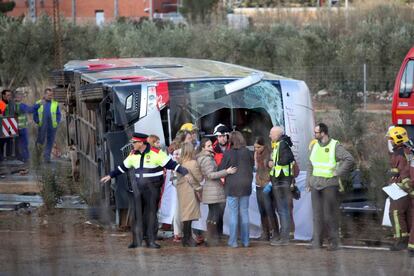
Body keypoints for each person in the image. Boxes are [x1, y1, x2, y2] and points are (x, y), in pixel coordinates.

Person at [101, 132, 189, 249]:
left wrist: (184, 172)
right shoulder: (133, 154)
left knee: (151, 214)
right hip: (139, 188)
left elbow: (171, 164)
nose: (132, 144)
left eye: (134, 142)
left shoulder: (156, 153)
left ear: (141, 143)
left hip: (153, 189)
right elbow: (123, 167)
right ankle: (136, 240)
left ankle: (151, 240)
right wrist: (110, 176)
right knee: (137, 214)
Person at [306, 123, 354, 251]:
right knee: (317, 215)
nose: (314, 134)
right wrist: (308, 182)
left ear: (323, 133)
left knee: (329, 215)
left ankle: (334, 243)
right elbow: (310, 165)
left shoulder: (335, 146)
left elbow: (349, 159)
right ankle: (317, 242)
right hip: (316, 184)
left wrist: (338, 172)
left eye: (316, 132)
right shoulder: (314, 146)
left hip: (329, 185)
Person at [196, 138, 237, 246]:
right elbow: (210, 175)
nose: (211, 147)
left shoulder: (206, 157)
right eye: (208, 146)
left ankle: (211, 238)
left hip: (211, 189)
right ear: (203, 148)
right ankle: (211, 239)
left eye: (211, 145)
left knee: (212, 213)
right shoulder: (207, 159)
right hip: (212, 188)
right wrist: (226, 172)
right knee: (214, 214)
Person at [219, 131, 254, 248]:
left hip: (232, 186)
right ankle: (246, 241)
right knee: (244, 213)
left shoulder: (228, 153)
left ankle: (233, 241)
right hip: (245, 185)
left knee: (233, 214)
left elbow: (221, 169)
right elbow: (252, 166)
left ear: (231, 141)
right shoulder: (248, 152)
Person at [386, 126, 413, 252]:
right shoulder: (406, 150)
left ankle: (400, 242)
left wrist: (401, 186)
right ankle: (407, 240)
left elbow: (404, 173)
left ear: (397, 139)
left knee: (396, 214)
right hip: (405, 191)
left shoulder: (400, 154)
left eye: (391, 139)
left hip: (400, 190)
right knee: (406, 215)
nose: (390, 141)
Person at [268, 126, 295, 246]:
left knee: (282, 210)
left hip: (282, 182)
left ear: (277, 134)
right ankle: (284, 236)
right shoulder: (281, 143)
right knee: (282, 210)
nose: (269, 136)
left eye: (271, 134)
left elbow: (289, 158)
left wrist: (274, 163)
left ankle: (284, 237)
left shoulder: (282, 144)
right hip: (280, 181)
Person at [176, 142, 204, 247]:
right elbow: (199, 178)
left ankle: (186, 238)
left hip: (182, 190)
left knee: (186, 215)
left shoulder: (180, 162)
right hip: (190, 191)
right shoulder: (193, 163)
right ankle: (187, 239)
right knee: (189, 216)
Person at [254, 136, 279, 241]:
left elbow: (273, 169)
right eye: (255, 147)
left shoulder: (269, 154)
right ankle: (265, 233)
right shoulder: (256, 154)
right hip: (259, 184)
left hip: (267, 184)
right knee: (262, 210)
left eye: (258, 147)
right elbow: (256, 167)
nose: (257, 149)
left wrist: (270, 182)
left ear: (263, 146)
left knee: (270, 210)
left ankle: (276, 233)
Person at [33, 88, 61, 163]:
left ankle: (47, 157)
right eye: (48, 95)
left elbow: (58, 114)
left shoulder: (55, 103)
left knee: (50, 141)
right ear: (44, 95)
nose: (50, 96)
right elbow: (34, 114)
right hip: (42, 125)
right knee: (40, 141)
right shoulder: (38, 103)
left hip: (52, 126)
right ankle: (37, 156)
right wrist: (37, 121)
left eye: (51, 95)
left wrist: (57, 122)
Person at [14, 91, 34, 163]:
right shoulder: (21, 105)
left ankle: (18, 158)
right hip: (22, 127)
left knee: (17, 144)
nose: (22, 97)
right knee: (24, 144)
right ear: (18, 97)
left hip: (14, 129)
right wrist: (37, 105)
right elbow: (30, 110)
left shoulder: (12, 105)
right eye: (21, 96)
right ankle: (26, 159)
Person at [0, 89, 15, 161]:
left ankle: (9, 157)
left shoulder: (12, 103)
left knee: (10, 142)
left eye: (10, 95)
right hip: (1, 126)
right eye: (8, 95)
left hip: (10, 125)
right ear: (3, 95)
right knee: (1, 143)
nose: (10, 96)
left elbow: (13, 114)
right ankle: (1, 158)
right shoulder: (1, 103)